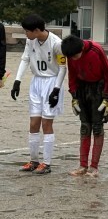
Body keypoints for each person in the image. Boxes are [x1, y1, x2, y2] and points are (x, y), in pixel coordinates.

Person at [10, 14, 67, 174]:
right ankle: (34, 161)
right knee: (34, 123)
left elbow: (63, 68)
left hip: (51, 82)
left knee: (46, 124)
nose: (26, 34)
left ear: (36, 30)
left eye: (27, 31)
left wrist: (56, 90)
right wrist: (17, 81)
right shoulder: (31, 41)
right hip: (36, 82)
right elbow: (25, 59)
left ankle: (46, 163)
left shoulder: (57, 43)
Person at [60, 35, 108, 177]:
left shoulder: (96, 50)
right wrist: (74, 96)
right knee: (85, 127)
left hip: (99, 89)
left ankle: (94, 167)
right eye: (71, 57)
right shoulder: (71, 54)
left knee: (97, 128)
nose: (74, 59)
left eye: (75, 56)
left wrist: (107, 96)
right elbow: (72, 74)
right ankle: (82, 165)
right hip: (82, 89)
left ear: (82, 48)